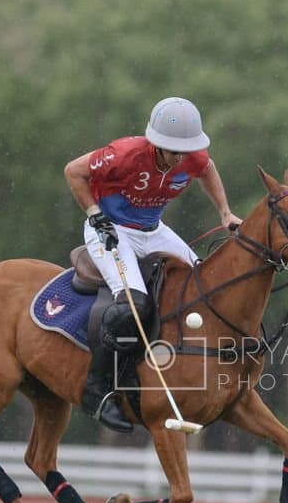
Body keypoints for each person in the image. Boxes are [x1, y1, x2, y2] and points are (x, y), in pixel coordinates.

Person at [64, 96, 242, 432]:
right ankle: (97, 392)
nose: (179, 158)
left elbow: (207, 169)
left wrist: (225, 212)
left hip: (152, 230)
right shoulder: (124, 154)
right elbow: (73, 171)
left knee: (204, 287)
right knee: (133, 305)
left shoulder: (192, 157)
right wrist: (95, 215)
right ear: (155, 143)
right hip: (111, 228)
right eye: (172, 150)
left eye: (183, 151)